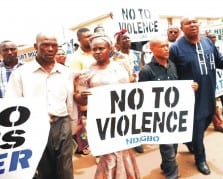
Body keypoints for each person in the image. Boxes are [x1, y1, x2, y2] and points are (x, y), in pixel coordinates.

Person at [169, 16, 223, 175]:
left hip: (210, 93)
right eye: (188, 23)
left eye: (195, 22)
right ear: (182, 28)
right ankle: (200, 159)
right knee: (197, 126)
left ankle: (190, 140)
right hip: (191, 97)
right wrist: (183, 86)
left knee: (208, 119)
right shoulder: (175, 49)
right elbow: (171, 74)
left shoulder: (208, 42)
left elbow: (219, 61)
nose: (193, 25)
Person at [5, 32, 75, 179]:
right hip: (34, 128)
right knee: (44, 170)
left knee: (66, 169)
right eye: (45, 45)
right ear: (36, 47)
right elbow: (13, 103)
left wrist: (71, 123)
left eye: (54, 45)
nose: (50, 49)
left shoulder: (66, 72)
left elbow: (70, 101)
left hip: (62, 124)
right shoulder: (21, 73)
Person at [73, 34, 140, 179]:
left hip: (124, 118)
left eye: (101, 48)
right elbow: (79, 101)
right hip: (103, 122)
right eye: (94, 49)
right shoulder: (86, 73)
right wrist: (82, 97)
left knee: (125, 150)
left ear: (109, 48)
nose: (97, 52)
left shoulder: (122, 66)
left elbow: (132, 87)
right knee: (109, 156)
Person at [139, 35, 198, 179]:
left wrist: (190, 87)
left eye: (167, 46)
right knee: (167, 146)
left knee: (174, 143)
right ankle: (172, 174)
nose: (166, 49)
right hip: (159, 117)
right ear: (152, 49)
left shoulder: (172, 65)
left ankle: (166, 165)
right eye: (162, 46)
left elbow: (178, 87)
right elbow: (142, 96)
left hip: (174, 113)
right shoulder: (146, 71)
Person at [113, 29, 144, 153]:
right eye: (124, 39)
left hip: (138, 87)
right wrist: (127, 80)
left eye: (128, 38)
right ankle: (134, 140)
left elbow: (142, 67)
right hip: (125, 89)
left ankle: (139, 136)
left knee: (139, 113)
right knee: (129, 114)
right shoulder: (115, 58)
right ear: (118, 44)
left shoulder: (137, 53)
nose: (127, 40)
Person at [69, 27, 94, 155]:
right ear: (79, 40)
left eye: (91, 35)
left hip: (103, 96)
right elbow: (76, 81)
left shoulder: (98, 51)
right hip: (88, 99)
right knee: (93, 126)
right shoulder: (75, 58)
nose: (91, 38)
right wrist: (81, 102)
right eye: (87, 37)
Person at [207, 32, 223, 133]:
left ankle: (218, 123)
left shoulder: (216, 49)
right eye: (210, 37)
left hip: (217, 80)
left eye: (214, 37)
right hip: (204, 82)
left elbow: (221, 62)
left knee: (214, 104)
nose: (212, 39)